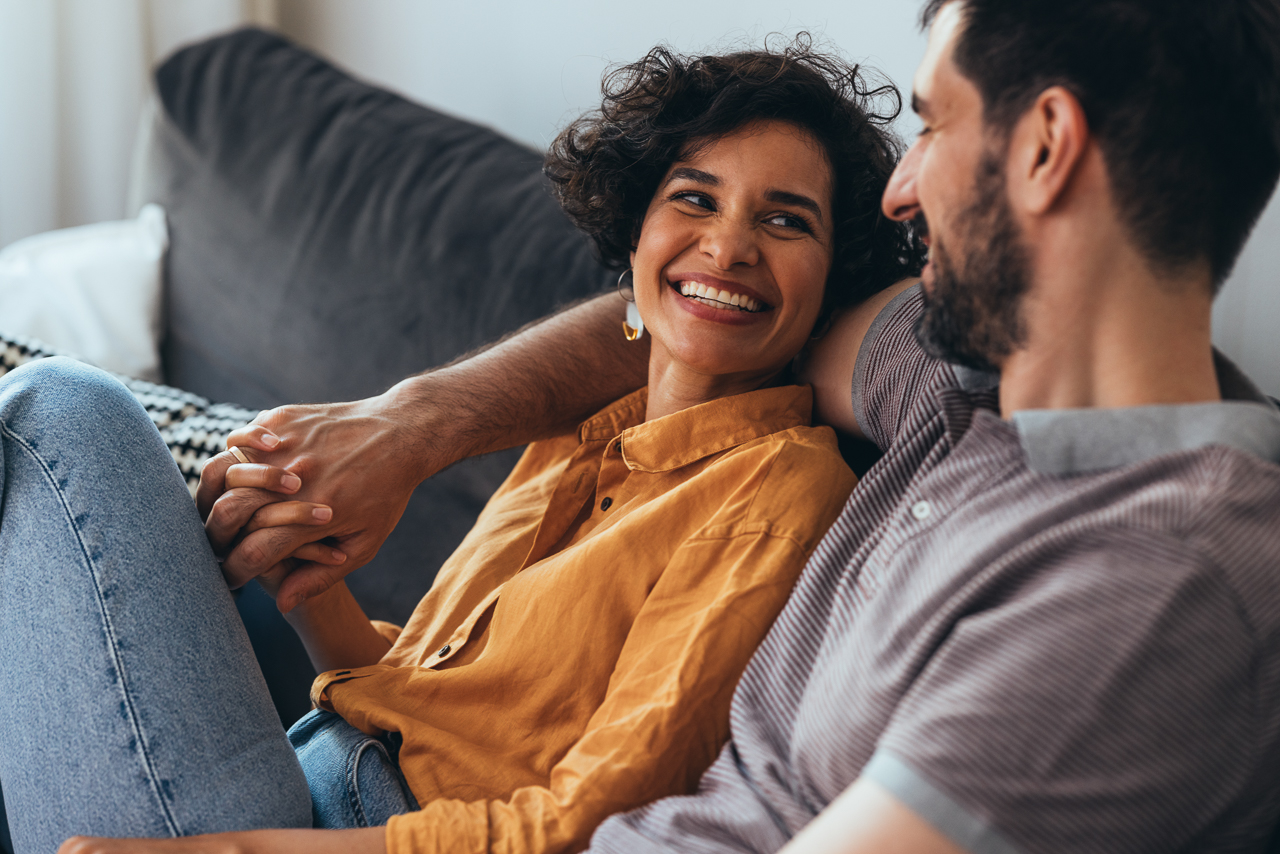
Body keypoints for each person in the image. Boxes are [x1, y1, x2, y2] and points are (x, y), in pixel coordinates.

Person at [176, 0, 1280, 852]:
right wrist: (414, 424)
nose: (901, 190)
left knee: (58, 426)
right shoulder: (951, 378)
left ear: (1043, 146)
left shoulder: (1147, 581)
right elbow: (700, 318)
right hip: (367, 759)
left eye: (934, 121)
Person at [0, 42, 926, 854]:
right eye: (694, 198)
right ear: (637, 233)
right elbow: (432, 702)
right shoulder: (580, 429)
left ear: (834, 272)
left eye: (784, 219)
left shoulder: (782, 492)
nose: (726, 246)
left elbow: (586, 822)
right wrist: (312, 587)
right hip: (312, 769)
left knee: (58, 413)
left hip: (350, 830)